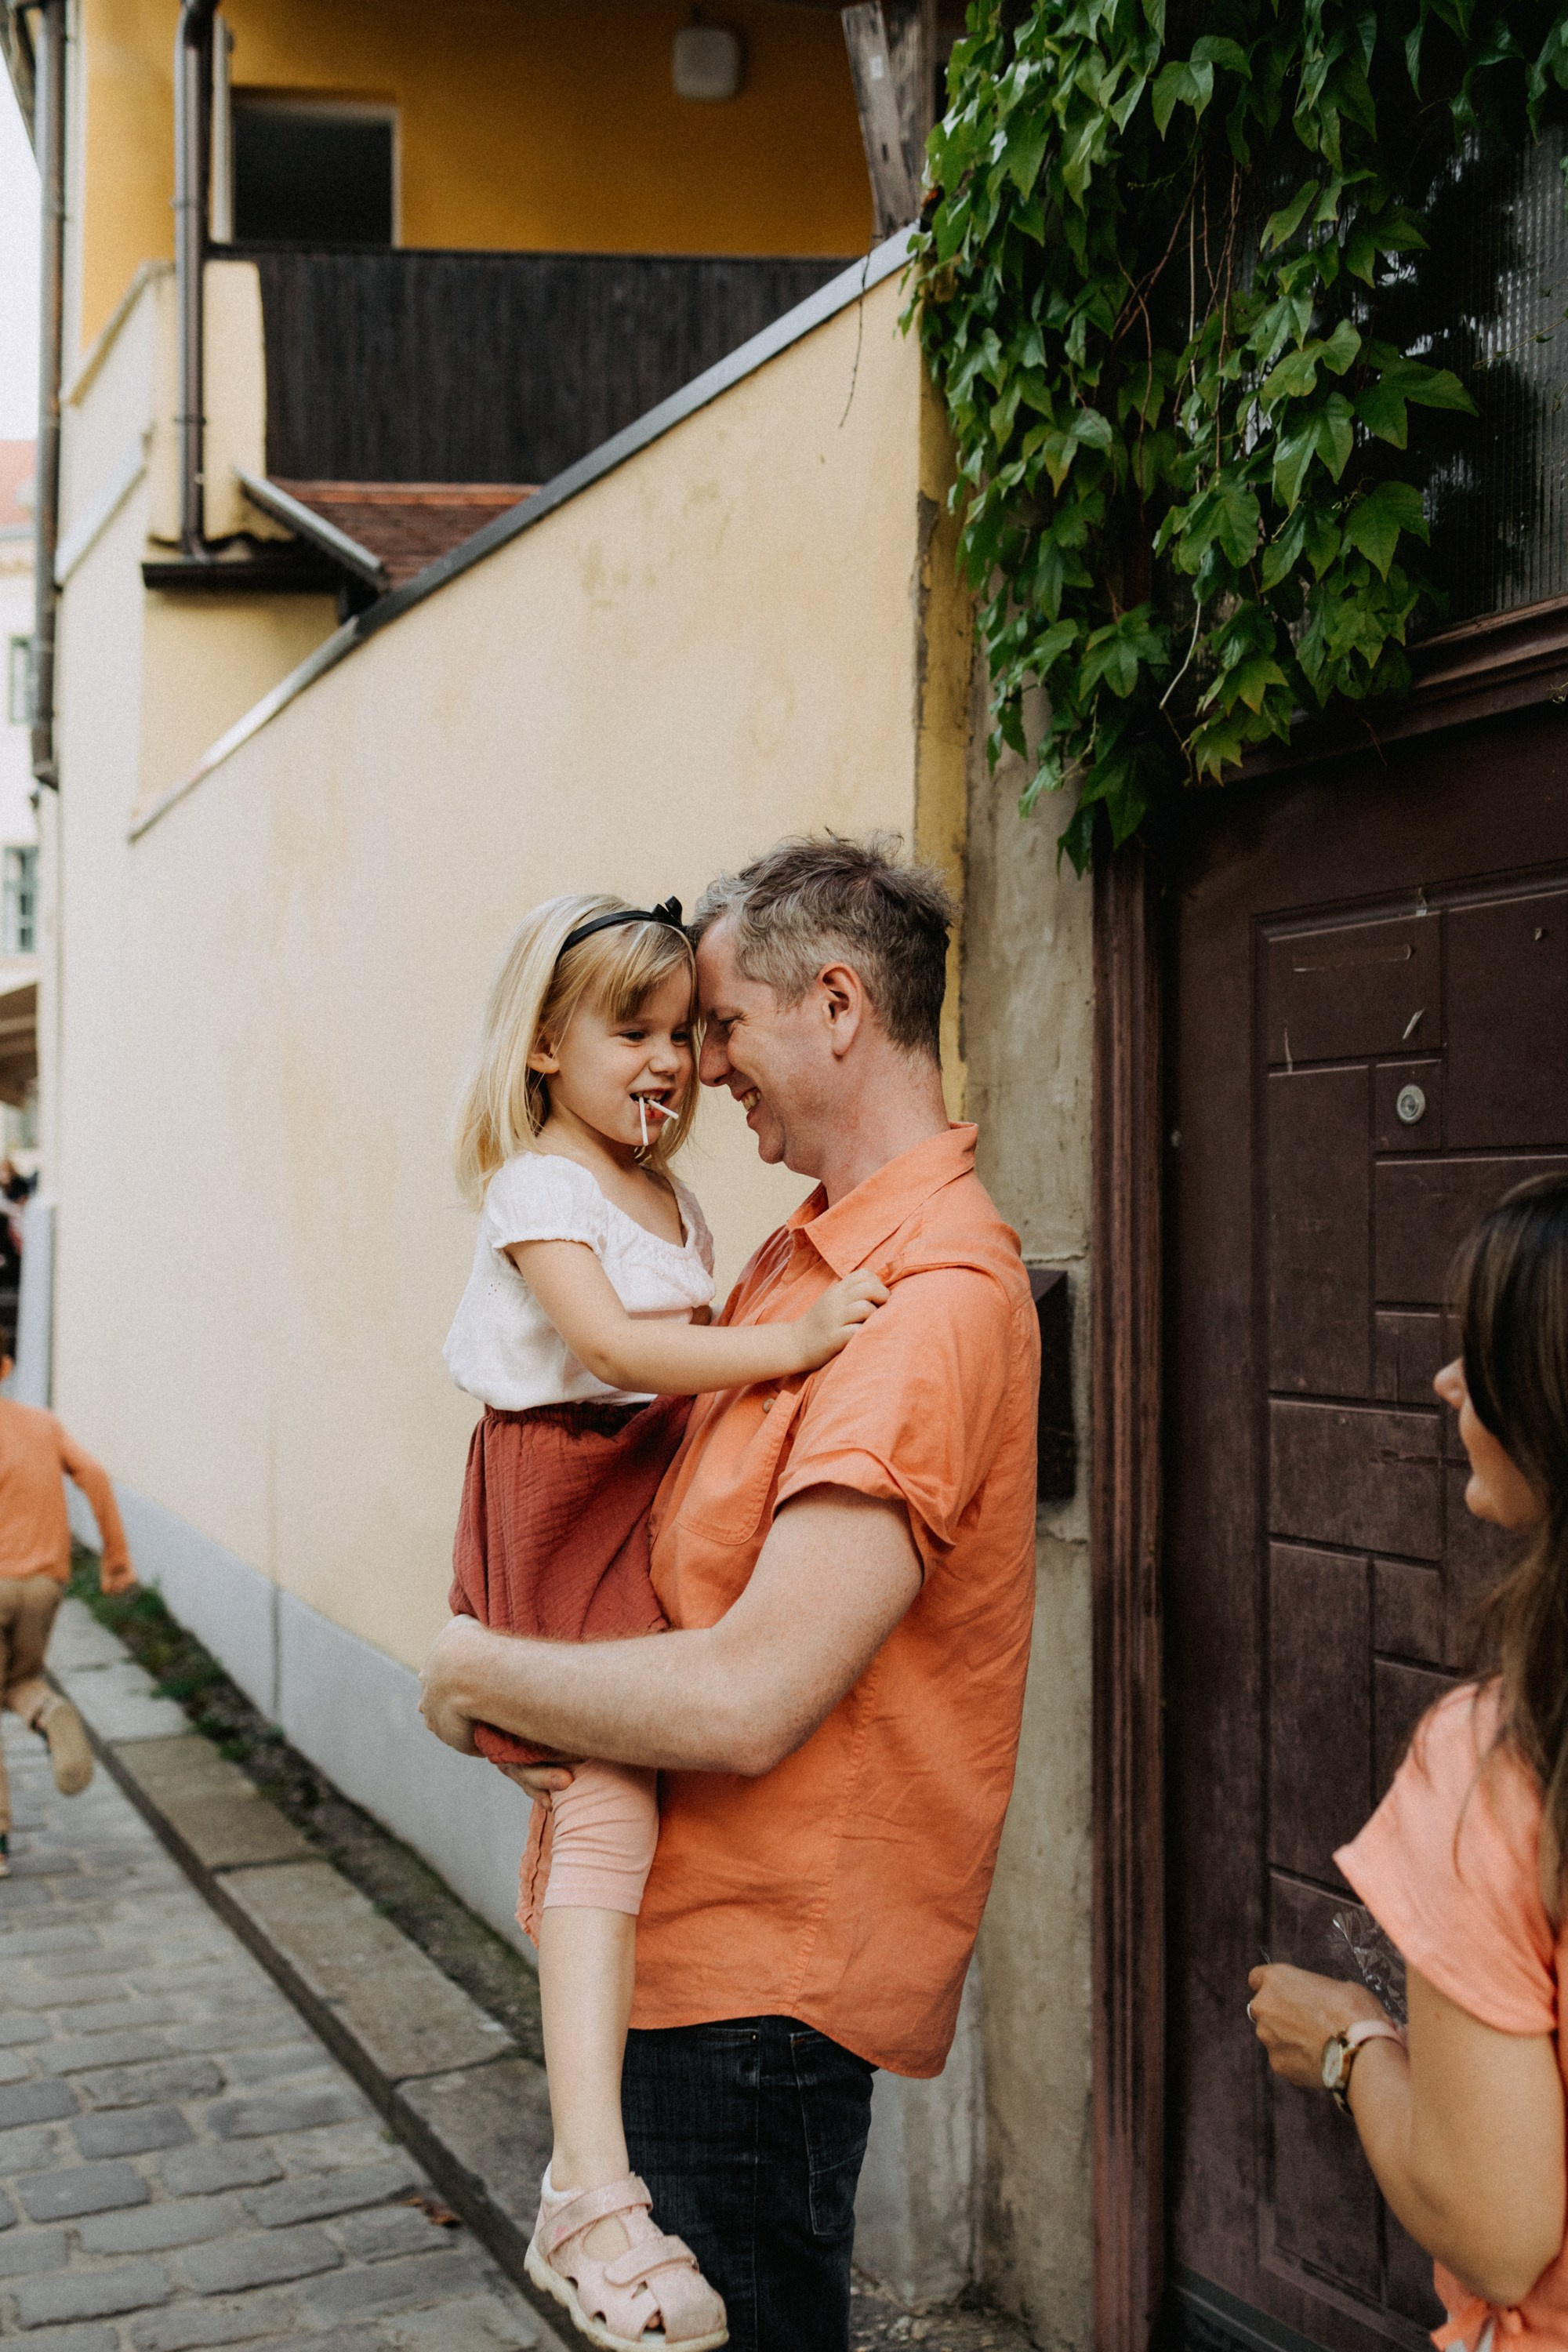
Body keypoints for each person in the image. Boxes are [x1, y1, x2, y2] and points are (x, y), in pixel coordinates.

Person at [421, 833, 1041, 2352]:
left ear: (837, 1006)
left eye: (716, 1026)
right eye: (669, 1033)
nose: (699, 1068)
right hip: (686, 1959)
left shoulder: (918, 1305)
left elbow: (749, 1690)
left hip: (754, 1996)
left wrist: (469, 1673)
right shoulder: (790, 1267)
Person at [441, 889, 887, 2352]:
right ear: (540, 1055)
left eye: (684, 1032)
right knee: (606, 1797)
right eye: (627, 1029)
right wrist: (804, 1342)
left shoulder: (677, 1201)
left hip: (639, 1488)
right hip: (564, 1496)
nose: (666, 1061)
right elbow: (621, 1349)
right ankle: (586, 2178)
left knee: (620, 1796)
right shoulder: (539, 1192)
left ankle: (594, 2176)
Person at [1248, 1172, 1568, 2351]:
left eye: (1482, 1355)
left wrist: (1349, 2048)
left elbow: (1496, 2231)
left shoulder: (1504, 1758)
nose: (1446, 1385)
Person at [0, 1339, 136, 1877]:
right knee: (20, 1680)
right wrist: (116, 1562)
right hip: (44, 1587)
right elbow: (95, 1478)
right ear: (5, 1366)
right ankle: (48, 1711)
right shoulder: (41, 1424)